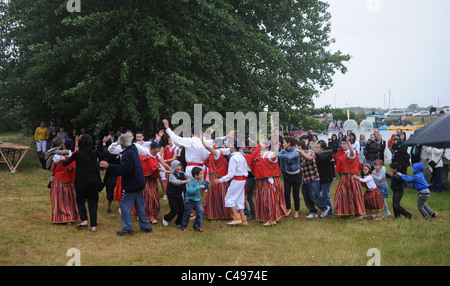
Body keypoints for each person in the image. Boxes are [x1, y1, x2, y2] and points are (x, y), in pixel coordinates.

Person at [99, 134, 153, 235]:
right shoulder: (133, 148)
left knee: (124, 206)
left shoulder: (127, 153)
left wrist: (108, 166)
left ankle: (128, 228)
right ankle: (145, 226)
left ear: (122, 144)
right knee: (140, 205)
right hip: (139, 181)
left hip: (132, 183)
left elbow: (124, 169)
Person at [61, 134, 105, 232]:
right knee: (93, 204)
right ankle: (93, 225)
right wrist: (104, 144)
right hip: (93, 182)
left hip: (81, 182)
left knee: (80, 202)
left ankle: (84, 220)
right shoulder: (94, 152)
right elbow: (104, 155)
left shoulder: (78, 154)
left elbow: (65, 164)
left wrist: (63, 159)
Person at [247, 140, 287, 226]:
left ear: (267, 146)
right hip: (261, 181)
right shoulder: (260, 155)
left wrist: (276, 150)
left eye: (262, 145)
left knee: (270, 200)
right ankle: (265, 216)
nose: (260, 146)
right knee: (263, 199)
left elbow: (274, 157)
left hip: (269, 181)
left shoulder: (269, 154)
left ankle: (272, 219)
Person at [214, 140, 248, 225]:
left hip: (237, 180)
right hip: (242, 180)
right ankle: (244, 219)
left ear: (233, 147)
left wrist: (220, 180)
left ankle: (237, 218)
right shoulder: (241, 156)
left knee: (229, 198)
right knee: (240, 198)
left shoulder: (233, 158)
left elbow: (231, 174)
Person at [295, 140, 331, 219]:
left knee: (314, 195)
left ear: (299, 147)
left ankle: (325, 207)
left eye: (296, 146)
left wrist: (300, 152)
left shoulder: (310, 152)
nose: (294, 148)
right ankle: (313, 212)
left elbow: (310, 158)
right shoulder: (298, 155)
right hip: (305, 179)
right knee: (306, 196)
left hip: (313, 178)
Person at [333, 136, 366, 219]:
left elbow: (352, 153)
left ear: (348, 144)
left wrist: (349, 144)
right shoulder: (343, 152)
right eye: (342, 143)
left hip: (351, 177)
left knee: (354, 194)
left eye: (344, 143)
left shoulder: (350, 152)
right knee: (344, 195)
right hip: (344, 177)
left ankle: (357, 213)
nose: (342, 145)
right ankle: (346, 212)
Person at [49, 138, 80, 224]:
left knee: (60, 200)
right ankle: (71, 216)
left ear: (63, 145)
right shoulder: (74, 154)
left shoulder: (57, 156)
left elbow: (52, 169)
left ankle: (62, 218)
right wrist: (76, 142)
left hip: (59, 180)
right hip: (70, 181)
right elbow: (76, 150)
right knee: (70, 199)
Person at [201, 137, 232, 220]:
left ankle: (217, 214)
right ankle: (224, 213)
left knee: (217, 195)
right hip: (219, 176)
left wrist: (202, 141)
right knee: (220, 195)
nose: (212, 145)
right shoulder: (220, 153)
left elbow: (208, 148)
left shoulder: (218, 152)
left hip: (217, 176)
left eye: (214, 144)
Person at [278, 136, 302, 219]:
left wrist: (283, 155)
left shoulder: (296, 150)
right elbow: (278, 154)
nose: (282, 144)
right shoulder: (284, 150)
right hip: (287, 175)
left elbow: (290, 156)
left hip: (296, 175)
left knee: (296, 194)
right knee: (286, 193)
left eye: (284, 142)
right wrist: (283, 154)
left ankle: (296, 211)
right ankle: (288, 209)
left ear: (288, 143)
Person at [179, 167, 209, 232]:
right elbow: (190, 191)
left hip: (197, 200)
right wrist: (199, 187)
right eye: (201, 174)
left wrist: (207, 184)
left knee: (200, 212)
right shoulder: (190, 181)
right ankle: (183, 226)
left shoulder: (201, 181)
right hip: (189, 200)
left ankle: (197, 226)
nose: (202, 175)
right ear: (196, 175)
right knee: (187, 213)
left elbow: (204, 188)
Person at [162, 160, 191, 227]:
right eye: (177, 166)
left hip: (179, 195)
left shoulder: (183, 174)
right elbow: (176, 182)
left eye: (180, 165)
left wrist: (196, 176)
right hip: (172, 195)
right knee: (175, 210)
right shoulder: (171, 175)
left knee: (182, 209)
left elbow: (190, 177)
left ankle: (178, 222)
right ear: (174, 167)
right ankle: (166, 218)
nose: (179, 167)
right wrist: (185, 181)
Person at [315, 140, 334, 215]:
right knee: (315, 193)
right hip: (320, 177)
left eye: (317, 147)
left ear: (322, 149)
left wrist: (315, 154)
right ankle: (324, 207)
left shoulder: (326, 154)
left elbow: (321, 158)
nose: (316, 148)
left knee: (325, 194)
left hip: (327, 177)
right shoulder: (318, 155)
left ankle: (330, 211)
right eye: (315, 147)